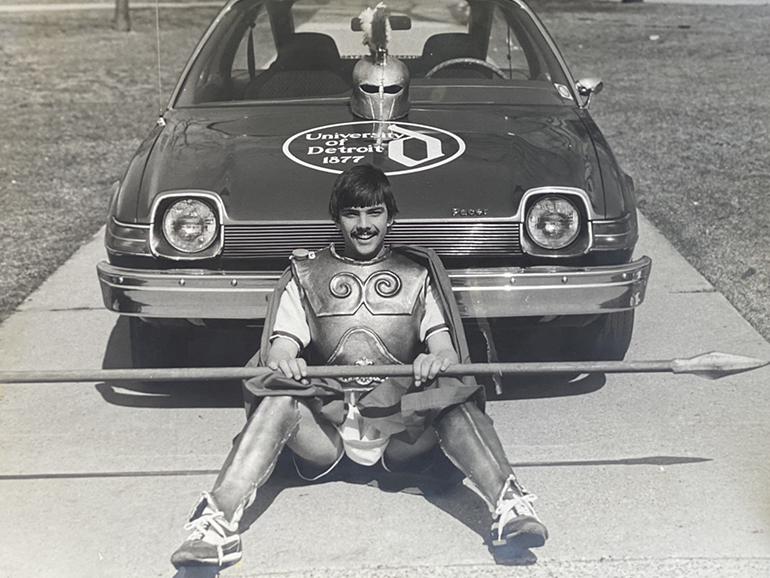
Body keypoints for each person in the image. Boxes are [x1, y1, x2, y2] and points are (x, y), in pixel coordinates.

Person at [170, 164, 548, 568]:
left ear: (390, 216)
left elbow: (446, 351)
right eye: (352, 213)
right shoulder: (306, 272)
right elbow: (278, 349)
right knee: (278, 399)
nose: (364, 225)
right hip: (327, 432)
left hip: (400, 428)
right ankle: (216, 525)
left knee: (452, 399)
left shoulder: (417, 274)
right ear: (337, 217)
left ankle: (510, 507)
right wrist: (289, 363)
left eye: (374, 213)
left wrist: (433, 358)